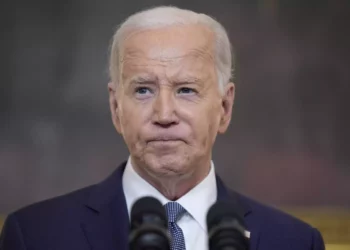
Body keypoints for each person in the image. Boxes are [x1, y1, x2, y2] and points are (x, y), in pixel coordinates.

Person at [0, 6, 325, 250]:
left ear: (224, 108)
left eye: (186, 89)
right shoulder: (35, 235)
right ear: (116, 108)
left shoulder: (293, 242)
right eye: (143, 90)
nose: (164, 113)